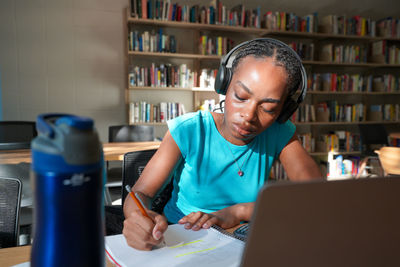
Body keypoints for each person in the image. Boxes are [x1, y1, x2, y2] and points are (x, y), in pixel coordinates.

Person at [122, 38, 323, 250]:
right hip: (180, 236)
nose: (248, 115)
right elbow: (140, 193)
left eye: (269, 108)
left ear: (284, 110)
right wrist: (139, 219)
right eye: (241, 96)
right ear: (224, 85)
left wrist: (240, 212)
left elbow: (316, 196)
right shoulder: (189, 129)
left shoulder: (279, 133)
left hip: (242, 239)